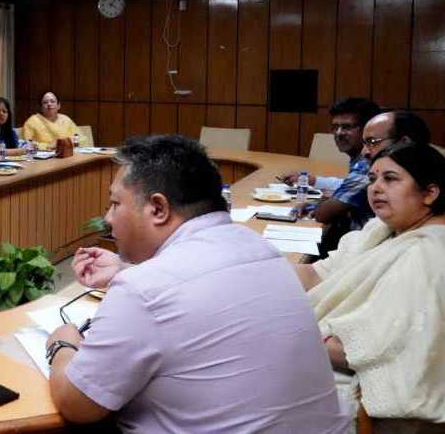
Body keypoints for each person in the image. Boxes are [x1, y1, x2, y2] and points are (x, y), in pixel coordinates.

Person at [46, 134, 348, 432]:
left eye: (115, 203)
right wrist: (125, 270)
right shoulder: (263, 249)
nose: (108, 218)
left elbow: (78, 405)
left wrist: (62, 343)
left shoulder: (143, 288)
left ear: (158, 208)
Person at [295, 141, 445, 432]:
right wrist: (258, 271)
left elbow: (375, 350)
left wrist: (295, 330)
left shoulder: (428, 253)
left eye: (390, 179)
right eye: (373, 179)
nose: (375, 188)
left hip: (364, 396)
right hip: (326, 351)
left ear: (429, 193)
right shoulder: (384, 230)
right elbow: (320, 274)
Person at [281, 98, 382, 257]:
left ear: (367, 131)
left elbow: (324, 214)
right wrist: (316, 183)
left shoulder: (366, 164)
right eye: (335, 127)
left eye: (347, 127)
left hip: (364, 250)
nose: (339, 133)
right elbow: (349, 185)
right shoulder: (362, 160)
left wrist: (320, 203)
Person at [21, 92, 86, 150]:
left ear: (58, 106)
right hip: (44, 156)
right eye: (45, 102)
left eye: (52, 101)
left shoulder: (65, 119)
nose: (49, 104)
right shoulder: (32, 121)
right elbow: (25, 144)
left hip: (67, 153)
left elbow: (81, 138)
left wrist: (67, 142)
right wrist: (48, 146)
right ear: (41, 107)